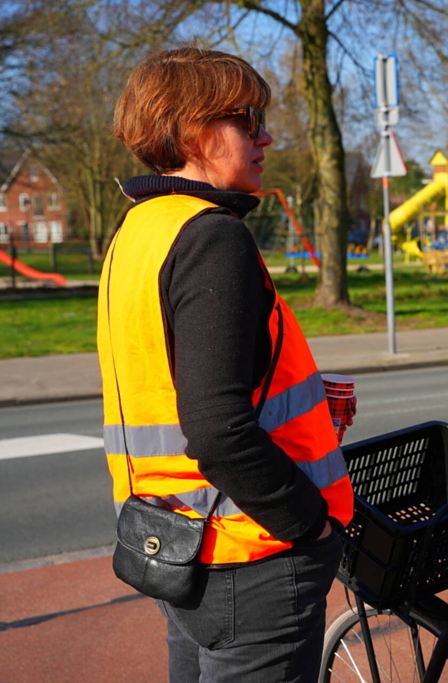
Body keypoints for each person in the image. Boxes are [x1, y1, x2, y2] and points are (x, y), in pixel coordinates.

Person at [98, 48, 353, 682]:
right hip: (249, 551)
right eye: (248, 119)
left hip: (172, 541)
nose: (266, 135)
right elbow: (216, 427)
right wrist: (309, 525)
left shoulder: (137, 231)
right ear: (191, 130)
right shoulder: (212, 236)